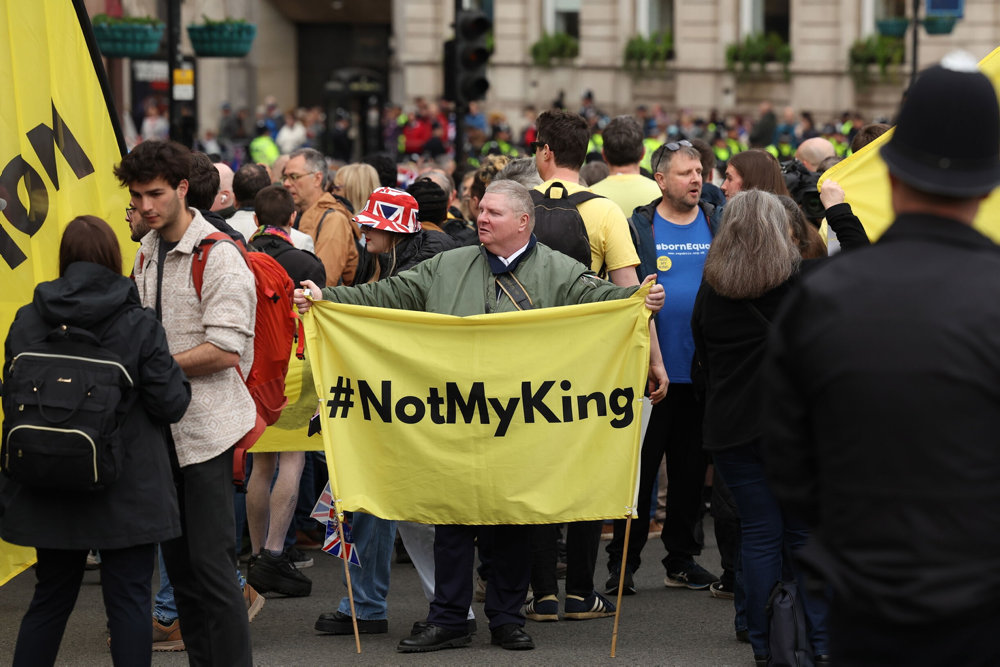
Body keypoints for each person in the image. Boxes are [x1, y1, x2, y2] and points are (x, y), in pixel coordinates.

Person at [294, 179, 665, 653]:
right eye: (481, 211)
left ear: (523, 221)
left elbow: (602, 302)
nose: (481, 219)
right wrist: (327, 300)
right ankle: (448, 618)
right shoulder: (448, 265)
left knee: (509, 522)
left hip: (522, 421)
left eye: (493, 212)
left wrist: (639, 303)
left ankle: (507, 619)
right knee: (451, 519)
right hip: (455, 420)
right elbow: (389, 294)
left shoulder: (559, 270)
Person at [763, 58, 1000, 665]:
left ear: (890, 175)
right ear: (986, 185)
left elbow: (789, 460)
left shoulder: (821, 297)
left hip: (866, 595)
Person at [2, 216, 191, 667]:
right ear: (112, 259)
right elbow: (172, 404)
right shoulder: (138, 323)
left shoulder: (28, 319)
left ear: (64, 260)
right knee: (128, 602)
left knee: (49, 598)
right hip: (126, 486)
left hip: (47, 481)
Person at [115, 139, 257, 666]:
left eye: (155, 194)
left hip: (208, 433)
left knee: (214, 572)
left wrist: (153, 367)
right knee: (180, 573)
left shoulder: (219, 255)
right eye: (137, 196)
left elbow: (225, 349)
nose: (146, 206)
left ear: (180, 189)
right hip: (160, 434)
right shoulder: (147, 249)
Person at [691, 190, 830, 665]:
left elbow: (703, 357)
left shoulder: (713, 287)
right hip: (795, 428)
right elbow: (865, 261)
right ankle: (818, 638)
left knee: (760, 533)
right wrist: (839, 210)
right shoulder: (806, 282)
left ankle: (762, 640)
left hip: (733, 426)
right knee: (802, 535)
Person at [314, 187, 458, 636]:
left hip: (416, 401)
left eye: (372, 224)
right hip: (391, 399)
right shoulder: (387, 257)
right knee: (371, 501)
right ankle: (368, 604)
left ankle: (449, 609)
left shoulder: (420, 263)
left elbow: (391, 316)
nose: (362, 228)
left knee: (417, 510)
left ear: (391, 231)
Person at [606, 140, 720, 596]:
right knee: (639, 473)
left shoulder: (717, 219)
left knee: (691, 475)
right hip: (648, 374)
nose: (696, 179)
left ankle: (681, 559)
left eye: (699, 171)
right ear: (660, 180)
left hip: (700, 372)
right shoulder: (639, 226)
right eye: (685, 173)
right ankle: (622, 565)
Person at [244, 185, 325, 599]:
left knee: (261, 464)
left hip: (258, 368)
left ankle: (257, 555)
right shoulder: (306, 262)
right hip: (297, 363)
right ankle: (276, 551)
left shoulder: (239, 255)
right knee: (293, 459)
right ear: (292, 219)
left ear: (256, 220)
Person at [284, 147, 360, 286]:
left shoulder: (333, 220)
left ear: (317, 179)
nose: (286, 184)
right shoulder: (299, 214)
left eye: (294, 177)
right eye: (285, 177)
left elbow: (323, 282)